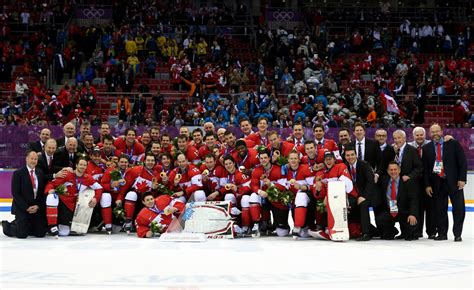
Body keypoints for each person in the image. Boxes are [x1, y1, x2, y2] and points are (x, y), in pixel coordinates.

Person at [422, 124, 467, 242]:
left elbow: (462, 162)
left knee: (458, 209)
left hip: (454, 182)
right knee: (440, 210)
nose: (435, 134)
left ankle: (457, 234)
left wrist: (462, 179)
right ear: (430, 133)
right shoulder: (426, 148)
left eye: (437, 131)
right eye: (432, 132)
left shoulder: (453, 143)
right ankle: (442, 233)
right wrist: (427, 185)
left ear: (442, 131)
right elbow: (425, 169)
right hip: (437, 183)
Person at [44, 157, 103, 237]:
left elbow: (99, 188)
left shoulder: (88, 178)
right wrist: (49, 190)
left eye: (84, 165)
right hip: (65, 205)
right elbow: (52, 183)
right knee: (64, 233)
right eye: (81, 164)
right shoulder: (67, 174)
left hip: (77, 206)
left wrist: (96, 198)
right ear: (76, 165)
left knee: (76, 232)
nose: (82, 167)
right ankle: (52, 226)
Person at [2, 151, 47, 238]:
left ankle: (25, 224)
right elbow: (15, 193)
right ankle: (7, 225)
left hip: (35, 207)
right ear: (26, 159)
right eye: (31, 158)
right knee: (22, 234)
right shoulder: (18, 173)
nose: (33, 161)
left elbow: (41, 193)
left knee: (41, 233)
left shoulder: (40, 173)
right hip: (22, 208)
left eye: (35, 159)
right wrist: (26, 207)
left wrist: (37, 206)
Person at [344, 146, 381, 241]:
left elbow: (370, 182)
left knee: (363, 205)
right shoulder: (344, 166)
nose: (350, 157)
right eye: (347, 155)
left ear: (356, 155)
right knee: (348, 205)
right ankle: (372, 230)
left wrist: (363, 196)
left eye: (352, 154)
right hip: (354, 195)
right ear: (345, 156)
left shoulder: (364, 165)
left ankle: (366, 234)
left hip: (368, 194)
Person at [375, 162, 418, 241]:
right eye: (391, 170)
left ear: (399, 170)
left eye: (395, 169)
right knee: (380, 219)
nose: (393, 172)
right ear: (387, 171)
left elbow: (413, 200)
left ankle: (406, 232)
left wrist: (412, 214)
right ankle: (392, 231)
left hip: (404, 212)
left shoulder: (407, 182)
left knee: (410, 236)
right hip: (389, 211)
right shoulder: (384, 180)